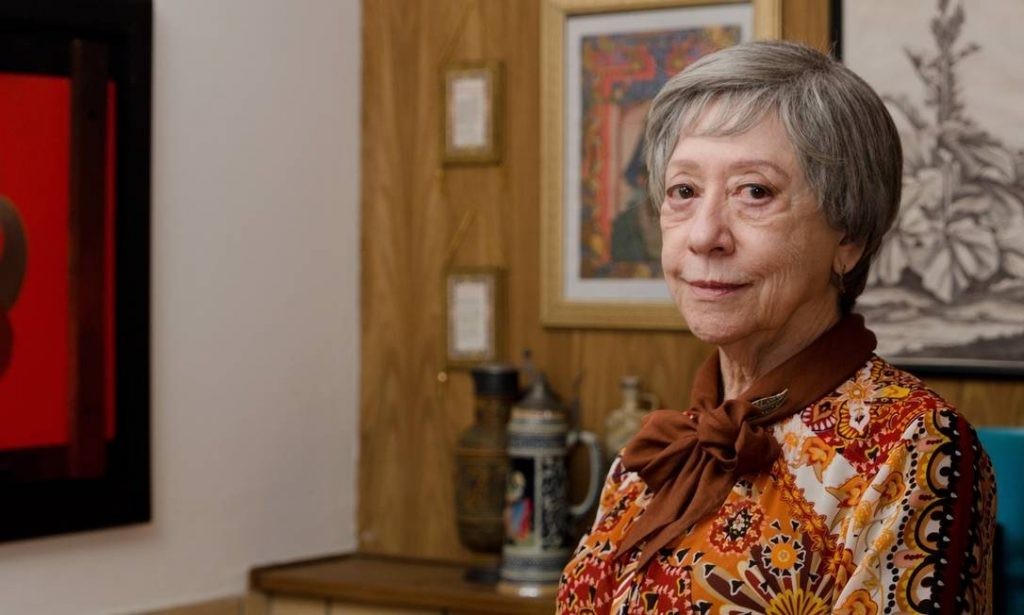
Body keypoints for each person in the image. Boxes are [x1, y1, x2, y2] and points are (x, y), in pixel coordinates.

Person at [556, 40, 996, 614]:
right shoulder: (656, 451)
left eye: (755, 192)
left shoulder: (915, 448)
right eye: (684, 191)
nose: (704, 235)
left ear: (849, 236)